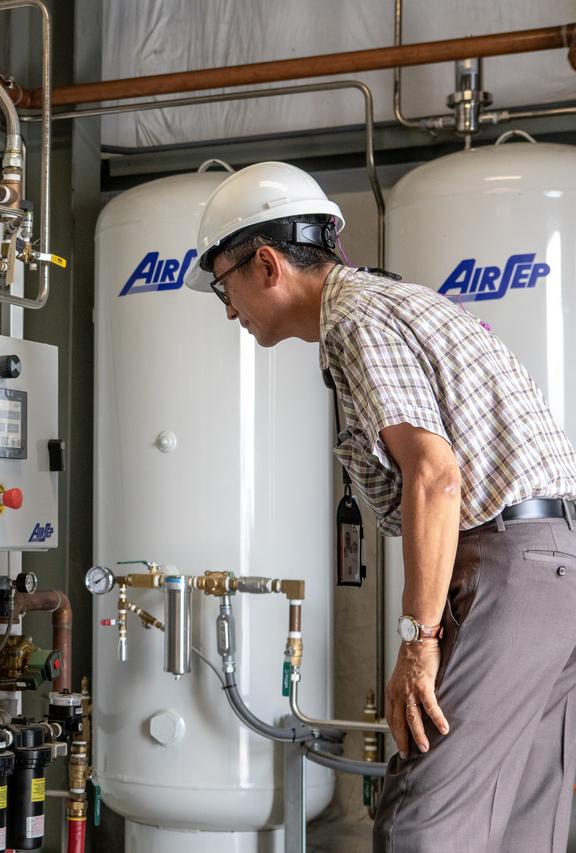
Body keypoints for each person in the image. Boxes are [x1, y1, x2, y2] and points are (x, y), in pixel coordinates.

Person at [183, 161, 576, 852]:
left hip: (512, 567)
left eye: (225, 284)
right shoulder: (403, 303)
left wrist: (417, 642)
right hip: (559, 562)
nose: (228, 310)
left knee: (422, 819)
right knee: (521, 819)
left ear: (267, 264)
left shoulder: (356, 320)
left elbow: (434, 475)